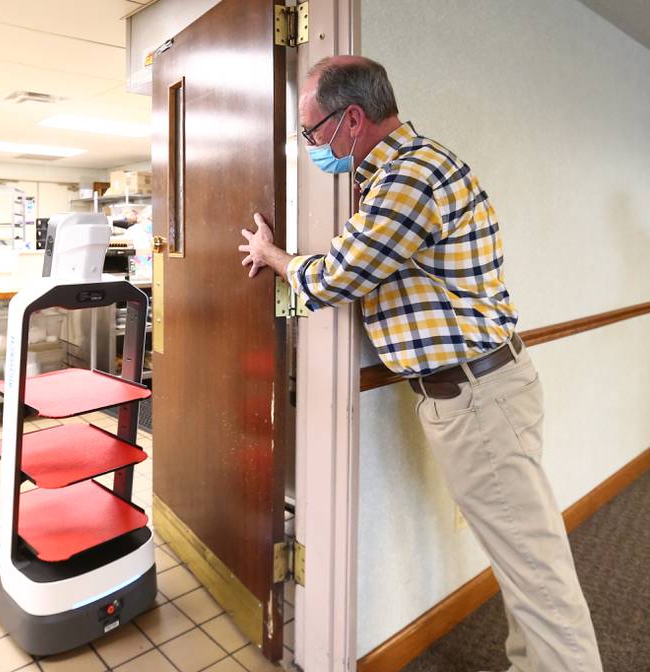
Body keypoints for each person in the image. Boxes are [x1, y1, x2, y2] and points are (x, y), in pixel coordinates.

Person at [238, 55, 602, 672]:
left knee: (537, 573)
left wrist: (272, 255)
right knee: (524, 561)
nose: (310, 147)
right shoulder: (406, 169)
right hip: (483, 391)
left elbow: (335, 278)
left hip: (477, 399)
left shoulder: (409, 178)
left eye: (311, 132)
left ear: (352, 119)